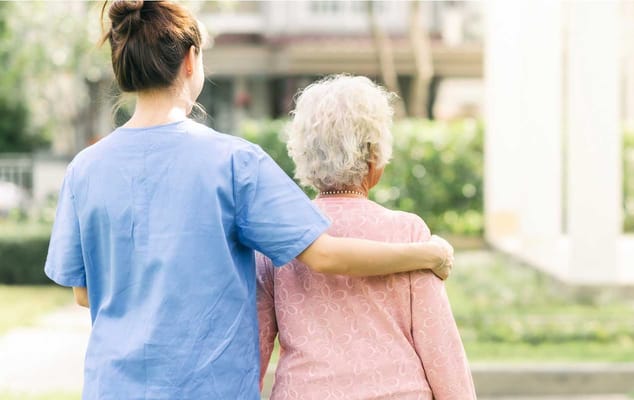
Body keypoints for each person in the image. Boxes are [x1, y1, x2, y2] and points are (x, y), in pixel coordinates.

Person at [43, 2, 454, 399]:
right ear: (190, 61)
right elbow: (325, 256)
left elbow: (84, 292)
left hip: (112, 388)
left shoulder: (84, 168)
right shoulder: (234, 162)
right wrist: (425, 254)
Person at [256, 75, 476, 399]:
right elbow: (440, 347)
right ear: (375, 155)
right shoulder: (408, 232)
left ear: (303, 153)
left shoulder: (280, 236)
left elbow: (254, 345)